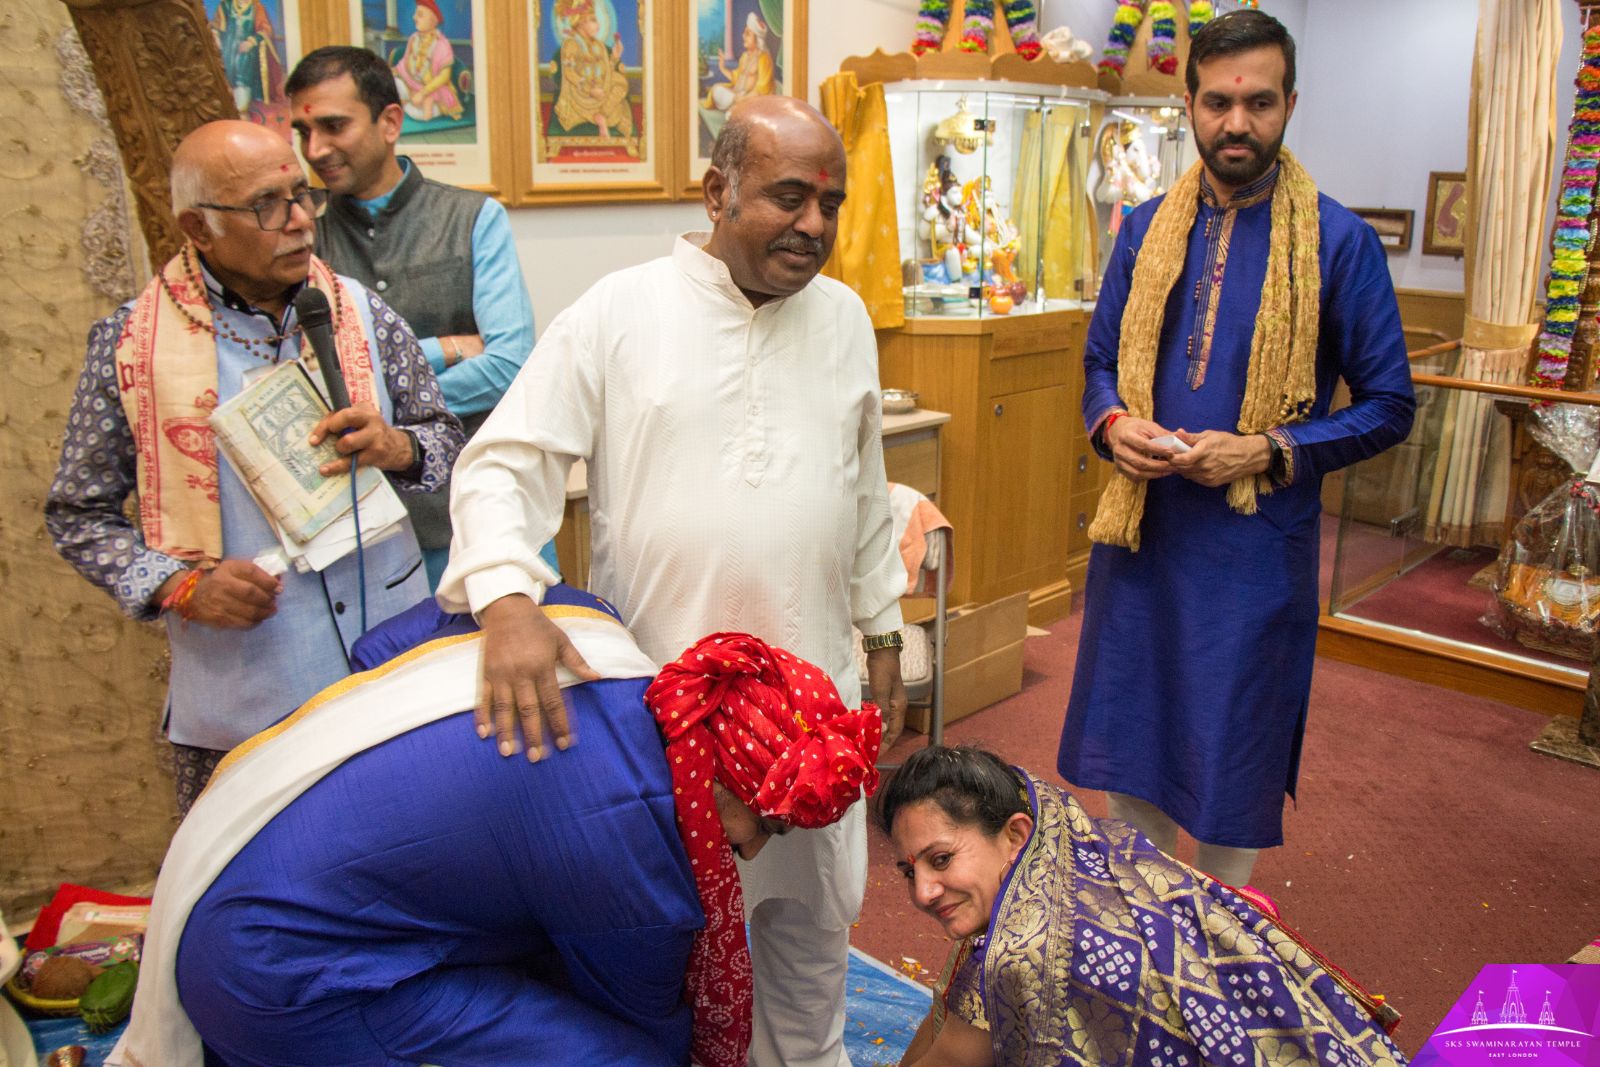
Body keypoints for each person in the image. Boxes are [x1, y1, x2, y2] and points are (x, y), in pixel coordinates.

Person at [436, 95, 909, 1067]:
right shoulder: (620, 311)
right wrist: (507, 594)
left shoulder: (845, 318)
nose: (814, 224)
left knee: (811, 948)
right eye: (787, 196)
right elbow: (502, 464)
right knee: (660, 970)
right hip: (666, 724)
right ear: (716, 191)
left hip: (814, 710)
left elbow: (866, 495)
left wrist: (886, 628)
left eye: (830, 201)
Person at [119, 595, 883, 1067]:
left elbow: (389, 641)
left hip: (241, 821)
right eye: (767, 827)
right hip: (279, 973)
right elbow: (645, 1034)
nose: (750, 851)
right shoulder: (640, 856)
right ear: (718, 773)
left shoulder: (592, 631)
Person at [1057, 10, 1416, 888]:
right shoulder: (1144, 229)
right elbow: (1101, 363)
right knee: (1131, 747)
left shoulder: (1339, 242)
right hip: (1143, 542)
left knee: (1229, 761)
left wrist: (1266, 449)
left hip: (1253, 556)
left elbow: (1389, 404)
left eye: (1258, 102)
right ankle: (1144, 936)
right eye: (1217, 102)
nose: (1236, 124)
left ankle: (1218, 949)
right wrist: (1114, 426)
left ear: (1291, 103)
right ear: (1189, 103)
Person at [44, 120, 464, 814]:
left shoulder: (361, 313)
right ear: (198, 228)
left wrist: (398, 447)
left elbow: (444, 442)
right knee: (258, 900)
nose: (301, 221)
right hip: (247, 694)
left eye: (303, 195)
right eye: (269, 205)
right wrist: (180, 585)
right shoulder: (130, 345)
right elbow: (78, 514)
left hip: (392, 673)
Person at [878, 745, 1408, 1067]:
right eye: (909, 871)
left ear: (1015, 834)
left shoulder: (1020, 954)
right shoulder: (1069, 833)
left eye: (941, 859)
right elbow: (950, 1007)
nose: (923, 892)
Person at [287, 46, 550, 590]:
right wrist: (449, 348)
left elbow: (510, 364)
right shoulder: (301, 238)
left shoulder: (473, 218)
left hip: (484, 510)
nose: (317, 149)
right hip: (362, 536)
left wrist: (384, 406)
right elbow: (302, 377)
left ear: (390, 122)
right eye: (303, 132)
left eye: (334, 126)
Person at [551, 0, 635, 138]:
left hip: (600, 87)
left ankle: (601, 115)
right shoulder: (571, 44)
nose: (598, 25)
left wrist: (614, 57)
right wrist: (590, 90)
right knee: (618, 102)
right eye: (593, 20)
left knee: (620, 81)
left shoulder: (599, 45)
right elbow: (569, 73)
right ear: (581, 22)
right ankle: (603, 114)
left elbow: (606, 72)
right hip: (582, 94)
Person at [391, 0, 464, 123]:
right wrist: (393, 71)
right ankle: (409, 102)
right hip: (412, 83)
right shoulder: (413, 38)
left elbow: (444, 77)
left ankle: (411, 104)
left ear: (432, 20)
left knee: (418, 114)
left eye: (419, 15)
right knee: (392, 82)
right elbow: (404, 63)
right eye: (415, 14)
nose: (414, 18)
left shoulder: (442, 44)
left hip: (433, 89)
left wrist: (423, 93)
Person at [211, 0, 283, 116]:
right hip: (228, 51)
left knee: (243, 71)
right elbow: (216, 26)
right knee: (226, 76)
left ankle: (242, 110)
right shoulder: (226, 5)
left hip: (248, 52)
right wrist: (215, 36)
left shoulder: (257, 7)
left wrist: (251, 42)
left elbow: (265, 30)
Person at [705, 13, 775, 112]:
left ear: (757, 39)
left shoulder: (764, 58)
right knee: (716, 89)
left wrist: (742, 99)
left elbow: (762, 89)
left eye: (748, 34)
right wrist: (722, 67)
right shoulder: (744, 56)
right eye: (744, 32)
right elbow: (736, 79)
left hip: (752, 99)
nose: (743, 36)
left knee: (732, 114)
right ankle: (734, 106)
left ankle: (735, 108)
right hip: (737, 95)